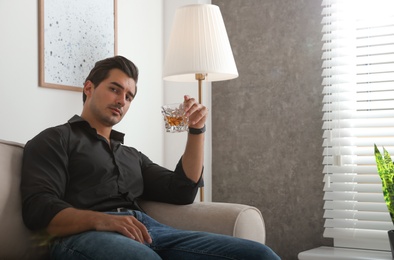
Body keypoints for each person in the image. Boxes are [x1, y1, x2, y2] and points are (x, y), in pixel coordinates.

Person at [21, 55, 280, 260]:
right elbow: (38, 210)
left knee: (258, 254)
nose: (122, 100)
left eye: (129, 96)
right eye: (115, 89)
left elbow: (182, 190)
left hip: (151, 231)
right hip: (83, 235)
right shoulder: (55, 139)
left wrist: (196, 130)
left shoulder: (131, 155)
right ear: (89, 87)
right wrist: (104, 220)